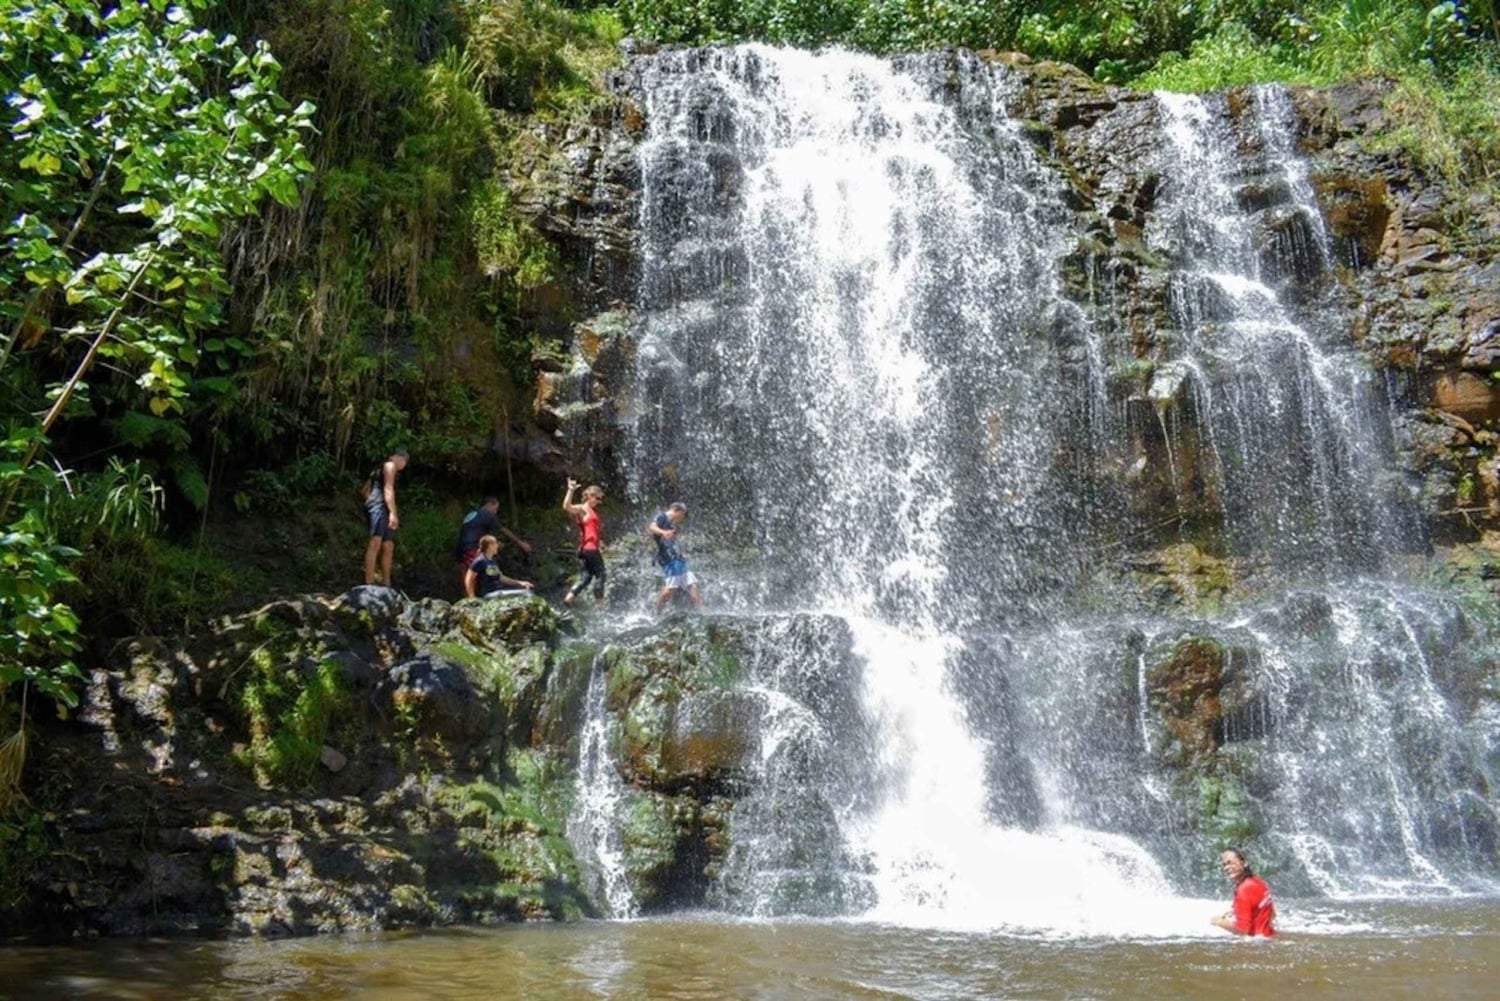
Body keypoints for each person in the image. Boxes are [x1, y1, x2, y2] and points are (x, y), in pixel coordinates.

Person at [454, 496, 532, 587]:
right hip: (472, 549)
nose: (495, 512)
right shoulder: (487, 514)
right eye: (495, 509)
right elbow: (503, 530)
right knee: (486, 573)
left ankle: (468, 594)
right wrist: (521, 543)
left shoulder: (473, 514)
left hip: (460, 549)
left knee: (469, 575)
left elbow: (477, 533)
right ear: (489, 504)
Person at [362, 449, 408, 586]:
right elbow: (388, 489)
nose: (404, 465)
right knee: (376, 541)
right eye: (405, 462)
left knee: (388, 545)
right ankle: (369, 583)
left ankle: (386, 583)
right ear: (400, 458)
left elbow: (365, 490)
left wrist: (369, 503)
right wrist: (393, 513)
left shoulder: (378, 469)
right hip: (379, 506)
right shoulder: (390, 465)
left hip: (380, 506)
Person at [648, 501, 701, 612]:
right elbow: (652, 527)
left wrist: (680, 552)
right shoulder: (662, 517)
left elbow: (672, 541)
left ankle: (701, 610)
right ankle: (655, 612)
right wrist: (663, 532)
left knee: (692, 584)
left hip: (678, 558)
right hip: (668, 558)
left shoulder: (672, 522)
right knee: (670, 588)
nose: (683, 518)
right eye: (683, 515)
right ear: (678, 510)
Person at [1211, 848, 1277, 937]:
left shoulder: (1244, 890)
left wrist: (1219, 922)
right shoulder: (1258, 881)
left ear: (1244, 863)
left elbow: (1242, 930)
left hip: (1255, 942)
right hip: (1269, 936)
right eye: (1224, 865)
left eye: (1230, 863)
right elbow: (1273, 913)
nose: (1226, 868)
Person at [561, 477, 606, 606]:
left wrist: (600, 543)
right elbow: (566, 506)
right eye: (597, 498)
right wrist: (570, 490)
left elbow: (591, 531)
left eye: (600, 499)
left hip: (585, 548)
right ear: (590, 496)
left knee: (586, 577)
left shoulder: (590, 511)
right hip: (590, 549)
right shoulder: (583, 509)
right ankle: (599, 605)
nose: (599, 501)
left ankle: (568, 599)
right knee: (601, 574)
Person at [464, 535, 534, 598]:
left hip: (498, 591)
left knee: (527, 591)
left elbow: (501, 577)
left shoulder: (492, 561)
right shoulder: (480, 561)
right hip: (489, 593)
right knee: (526, 594)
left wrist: (520, 583)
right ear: (490, 546)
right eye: (496, 543)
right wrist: (472, 597)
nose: (497, 546)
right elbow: (469, 579)